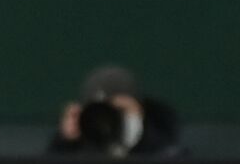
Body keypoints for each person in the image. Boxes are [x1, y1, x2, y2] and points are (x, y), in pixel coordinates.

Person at [47, 65, 183, 157]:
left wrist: (140, 135)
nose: (107, 119)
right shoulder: (77, 148)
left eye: (119, 110)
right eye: (99, 111)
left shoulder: (164, 148)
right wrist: (65, 143)